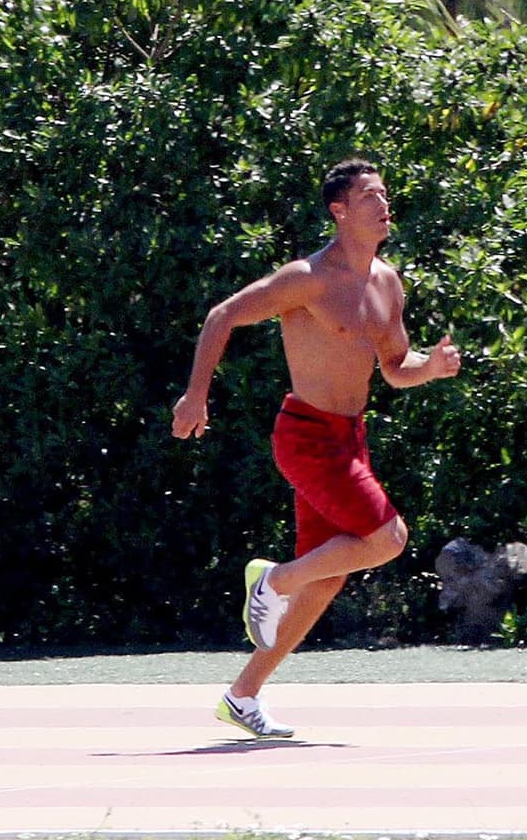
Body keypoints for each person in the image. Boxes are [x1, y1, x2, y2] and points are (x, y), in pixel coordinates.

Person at [172, 158, 462, 738]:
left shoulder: (387, 282)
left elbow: (394, 367)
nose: (383, 205)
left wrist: (428, 368)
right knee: (388, 539)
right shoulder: (307, 277)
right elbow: (222, 315)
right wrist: (195, 395)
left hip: (350, 439)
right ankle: (272, 581)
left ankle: (243, 694)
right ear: (339, 211)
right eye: (369, 197)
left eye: (384, 194)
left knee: (326, 577)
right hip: (306, 436)